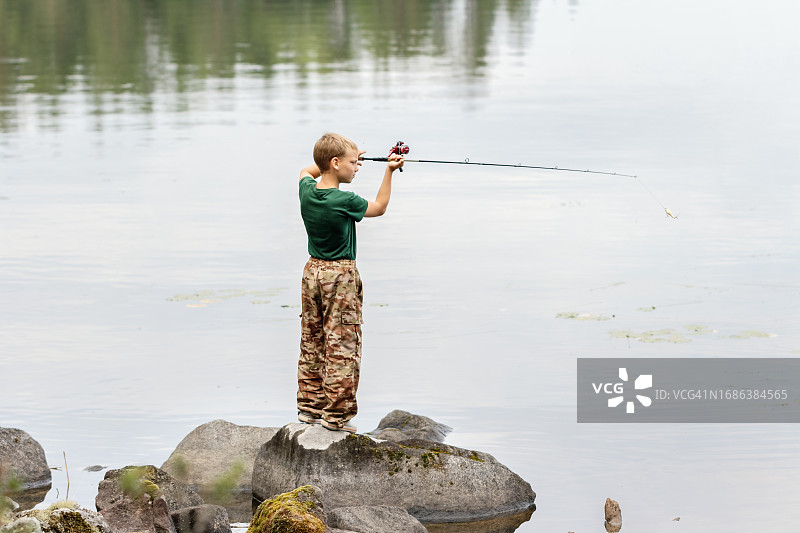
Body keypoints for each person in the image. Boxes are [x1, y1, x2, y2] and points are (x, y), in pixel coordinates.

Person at [296, 133, 404, 433]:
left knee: (312, 341)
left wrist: (346, 155)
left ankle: (309, 408)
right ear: (335, 163)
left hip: (312, 273)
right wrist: (389, 170)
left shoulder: (307, 190)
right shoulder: (344, 199)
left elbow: (307, 171)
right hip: (339, 277)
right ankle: (336, 417)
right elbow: (379, 206)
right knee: (343, 345)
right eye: (354, 164)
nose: (357, 167)